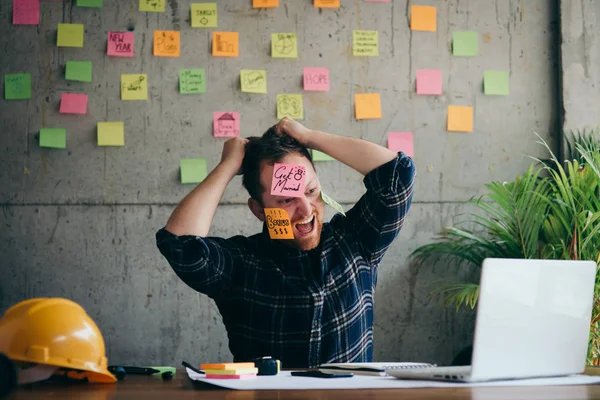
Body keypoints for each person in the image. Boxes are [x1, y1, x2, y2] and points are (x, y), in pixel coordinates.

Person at [156, 118, 416, 368]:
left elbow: (397, 174)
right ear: (258, 210)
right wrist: (229, 165)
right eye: (285, 200)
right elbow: (181, 246)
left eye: (311, 191)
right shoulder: (241, 264)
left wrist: (308, 137)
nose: (305, 210)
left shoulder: (357, 241)